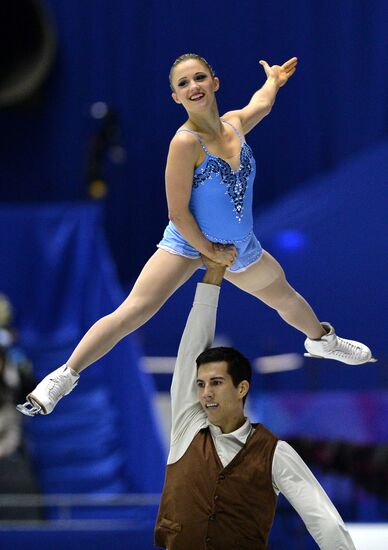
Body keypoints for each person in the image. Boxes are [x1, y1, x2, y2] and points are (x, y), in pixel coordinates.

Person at [17, 53, 374, 417]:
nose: (193, 87)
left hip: (239, 246)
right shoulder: (184, 143)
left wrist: (274, 81)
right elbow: (177, 211)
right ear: (176, 97)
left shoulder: (234, 124)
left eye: (200, 78)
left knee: (286, 297)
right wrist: (208, 250)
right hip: (187, 241)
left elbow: (261, 105)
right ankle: (63, 376)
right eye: (183, 84)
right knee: (134, 311)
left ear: (215, 83)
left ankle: (323, 342)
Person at [154, 258, 356, 550]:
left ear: (242, 388)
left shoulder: (275, 452)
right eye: (201, 384)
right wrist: (212, 275)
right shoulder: (187, 427)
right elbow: (192, 348)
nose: (206, 392)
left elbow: (323, 519)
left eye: (216, 383)